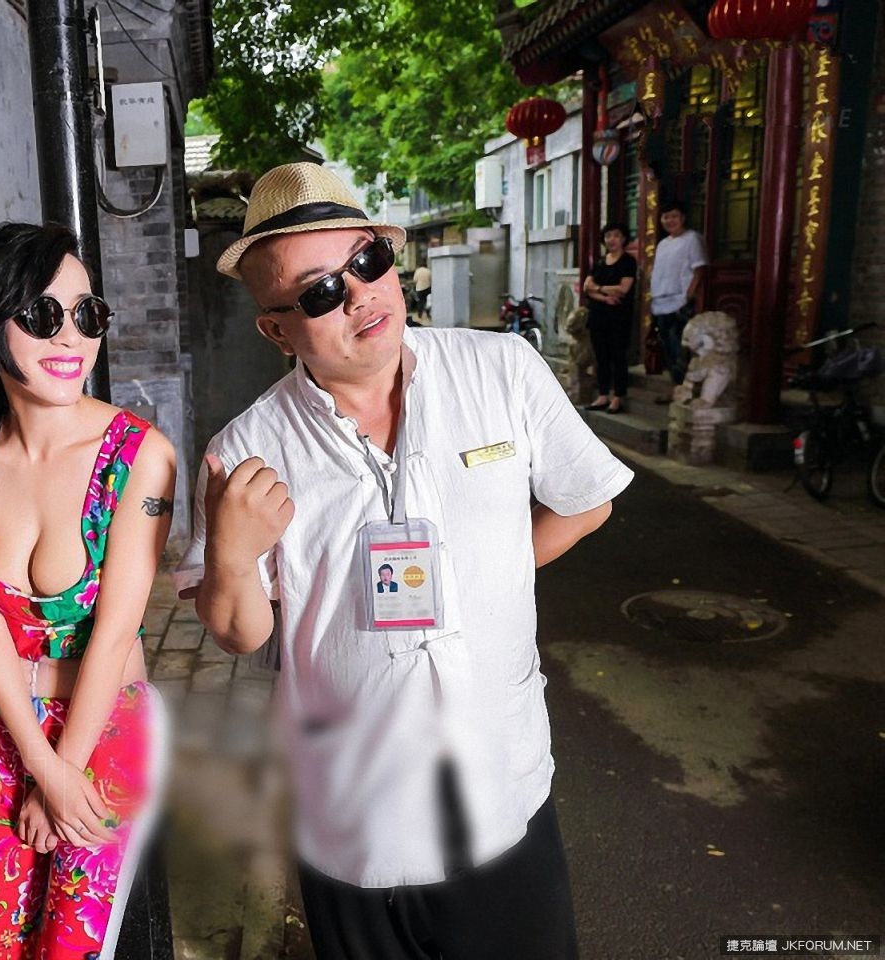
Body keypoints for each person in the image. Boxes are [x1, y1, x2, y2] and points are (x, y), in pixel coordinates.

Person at [175, 163, 633, 960]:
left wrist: (483, 576)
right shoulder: (247, 448)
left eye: (368, 262)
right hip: (351, 822)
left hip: (501, 791)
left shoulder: (500, 370)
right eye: (321, 291)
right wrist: (234, 557)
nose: (360, 295)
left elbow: (586, 500)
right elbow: (240, 634)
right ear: (276, 330)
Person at [0, 222, 176, 959]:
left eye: (87, 314)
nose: (71, 337)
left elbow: (116, 630)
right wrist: (38, 764)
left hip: (105, 731)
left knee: (70, 950)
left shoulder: (140, 458)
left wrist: (62, 777)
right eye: (41, 314)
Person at [648, 201, 707, 394]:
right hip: (660, 302)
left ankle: (688, 389)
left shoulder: (692, 239)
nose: (669, 221)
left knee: (681, 350)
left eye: (674, 216)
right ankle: (676, 388)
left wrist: (689, 296)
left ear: (683, 218)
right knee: (668, 350)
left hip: (680, 303)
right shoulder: (662, 244)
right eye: (666, 217)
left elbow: (699, 270)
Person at [581, 222, 637, 414]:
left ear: (623, 239)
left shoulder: (628, 262)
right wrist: (604, 296)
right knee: (601, 356)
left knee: (618, 356)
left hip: (619, 317)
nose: (611, 240)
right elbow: (586, 288)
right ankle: (603, 394)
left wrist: (598, 288)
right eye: (608, 236)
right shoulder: (599, 262)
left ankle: (618, 396)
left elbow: (623, 289)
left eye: (616, 236)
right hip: (598, 315)